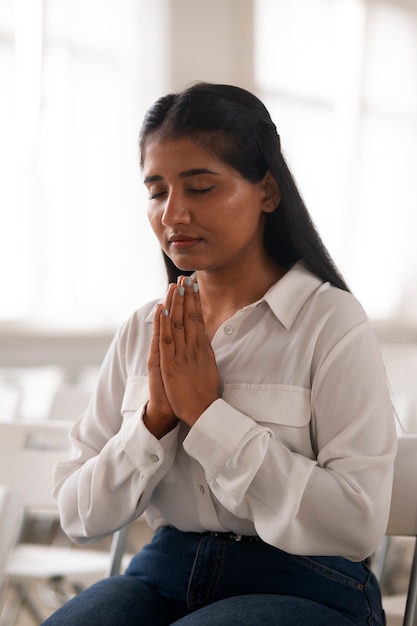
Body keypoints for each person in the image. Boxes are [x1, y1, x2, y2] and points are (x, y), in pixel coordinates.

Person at [42, 82, 397, 625]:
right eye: (157, 191)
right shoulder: (143, 329)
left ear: (268, 193)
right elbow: (76, 513)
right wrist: (156, 419)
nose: (173, 214)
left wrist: (209, 417)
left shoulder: (331, 323)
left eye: (201, 187)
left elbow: (355, 523)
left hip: (307, 582)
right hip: (162, 571)